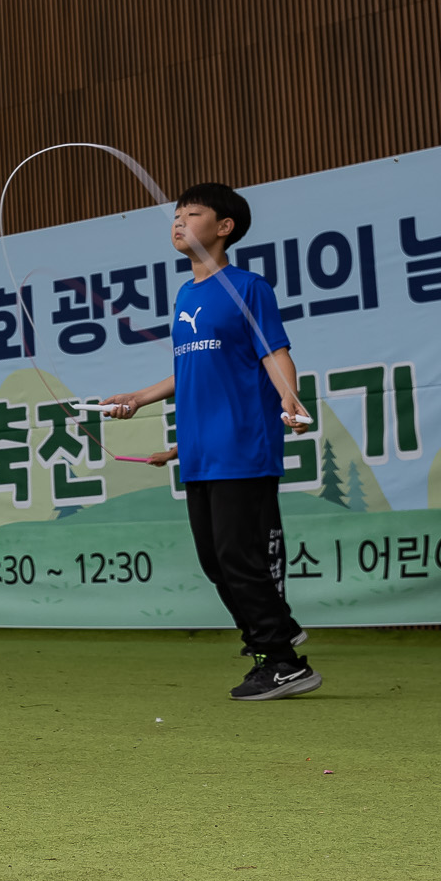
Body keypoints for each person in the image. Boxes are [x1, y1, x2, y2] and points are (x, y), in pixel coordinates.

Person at [105, 182, 322, 701]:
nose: (178, 222)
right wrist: (140, 398)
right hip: (200, 451)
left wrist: (289, 396)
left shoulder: (248, 288)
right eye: (176, 215)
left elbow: (273, 351)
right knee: (215, 561)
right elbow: (194, 369)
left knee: (238, 557)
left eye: (192, 213)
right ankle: (273, 639)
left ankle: (285, 660)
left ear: (224, 227)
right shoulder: (186, 296)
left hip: (242, 445)